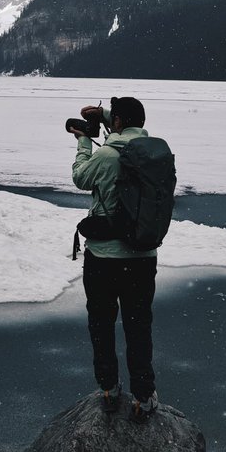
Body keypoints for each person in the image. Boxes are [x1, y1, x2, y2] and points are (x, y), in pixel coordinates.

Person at [69, 95, 159, 420]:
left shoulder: (106, 154)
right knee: (139, 327)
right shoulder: (154, 153)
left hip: (103, 258)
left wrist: (83, 142)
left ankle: (109, 389)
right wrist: (106, 114)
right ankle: (143, 397)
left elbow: (80, 178)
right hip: (142, 256)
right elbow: (128, 124)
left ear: (117, 123)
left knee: (102, 323)